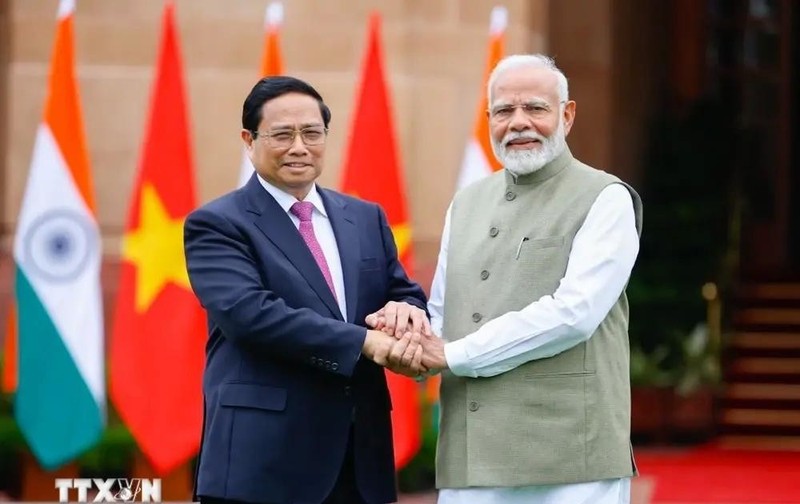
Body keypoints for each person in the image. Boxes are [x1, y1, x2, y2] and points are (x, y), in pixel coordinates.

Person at [184, 76, 429, 504]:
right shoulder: (217, 224)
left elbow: (403, 291)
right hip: (262, 464)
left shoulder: (365, 217)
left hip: (360, 459)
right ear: (249, 139)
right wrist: (365, 342)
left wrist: (405, 312)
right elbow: (251, 315)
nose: (299, 147)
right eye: (282, 134)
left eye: (312, 133)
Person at [419, 54, 643, 503]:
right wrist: (407, 337)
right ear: (489, 120)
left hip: (567, 458)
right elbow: (441, 311)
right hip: (470, 455)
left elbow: (574, 314)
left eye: (535, 108)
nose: (519, 122)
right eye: (504, 111)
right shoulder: (465, 203)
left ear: (567, 114)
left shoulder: (605, 197)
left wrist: (454, 354)